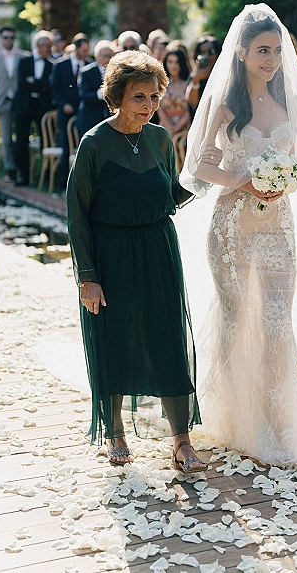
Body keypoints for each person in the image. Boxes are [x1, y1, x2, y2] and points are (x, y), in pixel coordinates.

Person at [178, 4, 297, 466]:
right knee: (237, 321)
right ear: (243, 52)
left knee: (275, 324)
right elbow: (201, 166)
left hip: (278, 228)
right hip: (232, 230)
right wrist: (245, 181)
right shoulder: (228, 104)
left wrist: (284, 180)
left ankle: (279, 425)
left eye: (277, 51)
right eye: (263, 50)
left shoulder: (290, 102)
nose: (272, 59)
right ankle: (232, 418)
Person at [66, 51, 204, 470]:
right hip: (111, 256)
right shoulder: (93, 144)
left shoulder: (161, 139)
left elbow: (169, 198)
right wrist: (87, 277)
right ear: (116, 97)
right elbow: (76, 214)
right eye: (138, 97)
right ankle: (116, 433)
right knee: (116, 340)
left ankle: (181, 441)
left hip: (159, 250)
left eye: (153, 96)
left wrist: (206, 179)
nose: (148, 106)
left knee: (167, 340)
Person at [12, 30, 55, 187]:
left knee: (46, 139)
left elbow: (49, 86)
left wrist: (34, 82)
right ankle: (23, 175)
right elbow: (22, 84)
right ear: (38, 45)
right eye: (47, 46)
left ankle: (46, 176)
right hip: (24, 105)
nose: (49, 49)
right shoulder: (24, 62)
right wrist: (40, 84)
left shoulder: (52, 65)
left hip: (42, 107)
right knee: (21, 140)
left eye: (51, 46)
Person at [0, 26, 27, 183]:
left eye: (11, 37)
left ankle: (22, 168)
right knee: (6, 139)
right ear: (1, 39)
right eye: (6, 37)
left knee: (21, 137)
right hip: (2, 102)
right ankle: (9, 169)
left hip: (20, 102)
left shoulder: (23, 56)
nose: (9, 40)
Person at [50, 33, 90, 187]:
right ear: (76, 48)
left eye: (88, 50)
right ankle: (63, 182)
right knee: (65, 147)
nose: (86, 53)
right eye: (84, 50)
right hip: (66, 111)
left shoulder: (89, 64)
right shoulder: (61, 65)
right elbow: (55, 89)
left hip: (83, 113)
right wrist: (63, 104)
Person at [76, 40, 115, 136]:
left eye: (110, 56)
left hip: (109, 118)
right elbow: (83, 94)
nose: (107, 59)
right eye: (104, 56)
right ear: (97, 57)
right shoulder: (86, 72)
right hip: (90, 118)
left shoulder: (116, 73)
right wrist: (99, 94)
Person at [157, 41, 191, 137]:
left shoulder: (189, 83)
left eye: (177, 62)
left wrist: (177, 127)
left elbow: (191, 107)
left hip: (185, 132)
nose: (173, 66)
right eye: (170, 62)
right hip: (165, 130)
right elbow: (158, 107)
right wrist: (169, 127)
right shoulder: (161, 83)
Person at [186, 35, 221, 112]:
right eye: (202, 53)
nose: (207, 56)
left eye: (210, 52)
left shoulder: (224, 74)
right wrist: (196, 80)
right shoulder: (195, 75)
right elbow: (192, 103)